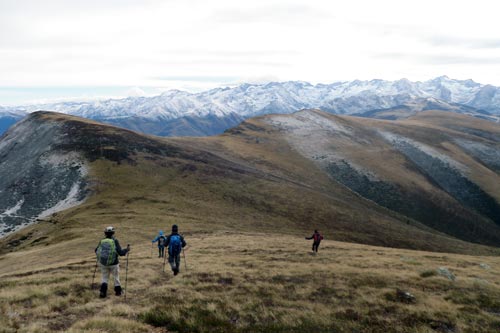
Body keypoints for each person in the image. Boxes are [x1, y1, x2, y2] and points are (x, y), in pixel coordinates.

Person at [95, 226, 130, 298]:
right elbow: (120, 253)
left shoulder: (102, 241)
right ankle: (118, 292)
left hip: (103, 263)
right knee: (116, 277)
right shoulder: (115, 241)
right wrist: (127, 249)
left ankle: (102, 292)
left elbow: (96, 250)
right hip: (114, 263)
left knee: (104, 278)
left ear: (105, 233)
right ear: (113, 233)